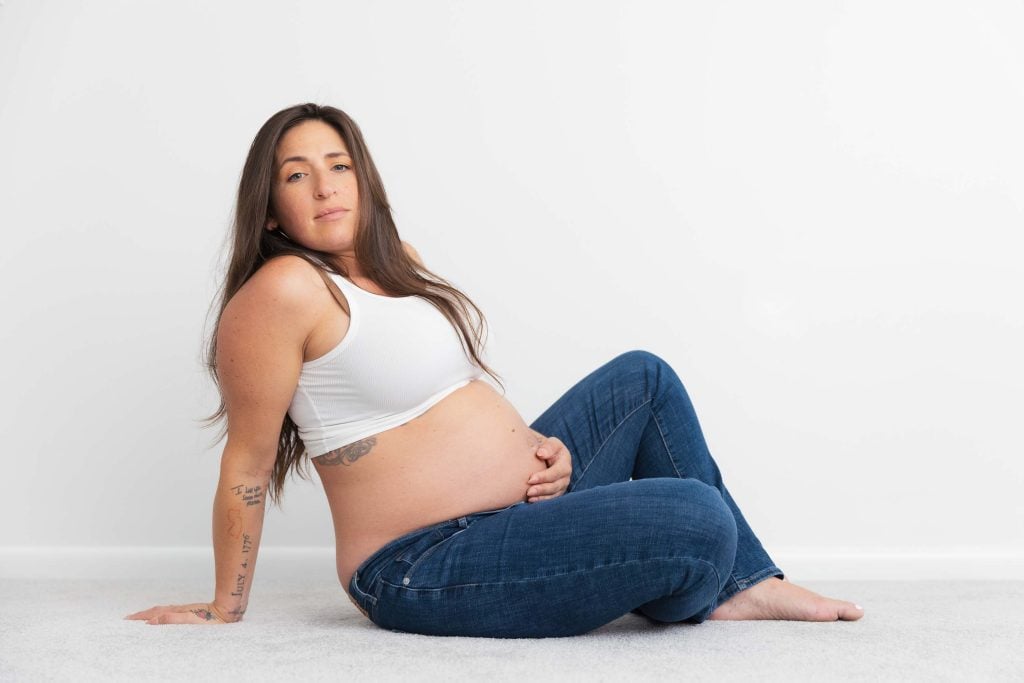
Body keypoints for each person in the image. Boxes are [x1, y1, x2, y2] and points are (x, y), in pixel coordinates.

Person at [125, 103, 864, 636]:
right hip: (420, 562)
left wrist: (549, 458)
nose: (325, 186)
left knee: (646, 378)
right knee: (696, 520)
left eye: (339, 165)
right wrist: (224, 603)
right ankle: (693, 580)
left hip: (510, 511)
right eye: (298, 174)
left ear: (363, 180)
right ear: (272, 212)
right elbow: (247, 461)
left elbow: (455, 404)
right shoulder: (281, 293)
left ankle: (744, 584)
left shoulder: (394, 265)